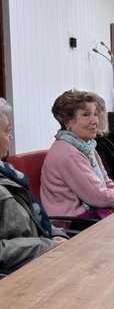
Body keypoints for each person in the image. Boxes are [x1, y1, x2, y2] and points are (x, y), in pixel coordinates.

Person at [40, 90, 114, 218]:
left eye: (95, 114)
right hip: (74, 222)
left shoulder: (87, 147)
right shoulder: (69, 153)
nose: (95, 121)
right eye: (86, 115)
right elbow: (99, 197)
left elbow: (107, 183)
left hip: (91, 213)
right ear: (68, 121)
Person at [0, 99, 68, 276]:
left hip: (40, 260)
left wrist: (55, 235)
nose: (11, 137)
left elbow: (34, 216)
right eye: (7, 131)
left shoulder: (8, 173)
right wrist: (45, 246)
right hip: (18, 276)